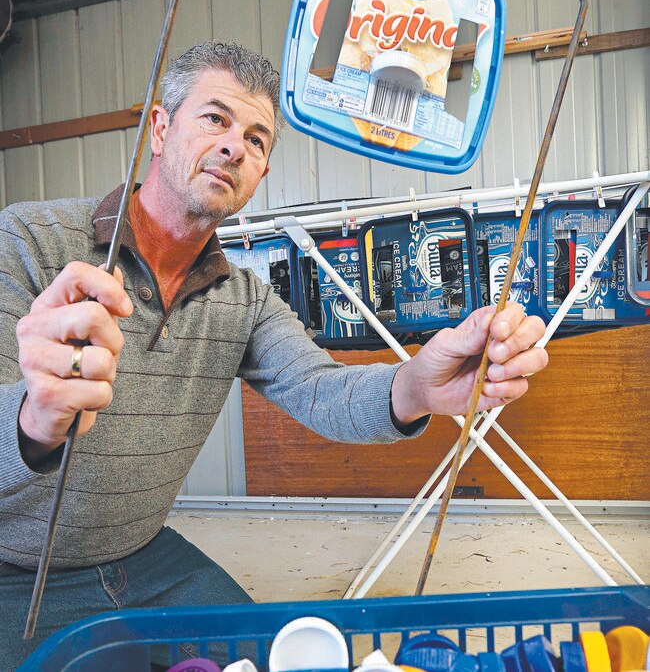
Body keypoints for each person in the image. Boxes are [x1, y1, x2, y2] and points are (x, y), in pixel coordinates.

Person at [0, 42, 548, 668]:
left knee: (274, 659)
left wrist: (419, 385)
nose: (236, 146)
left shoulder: (245, 301)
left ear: (260, 175)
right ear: (159, 127)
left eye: (258, 140)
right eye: (216, 119)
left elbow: (324, 391)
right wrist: (32, 421)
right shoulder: (30, 241)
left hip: (147, 559)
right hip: (16, 574)